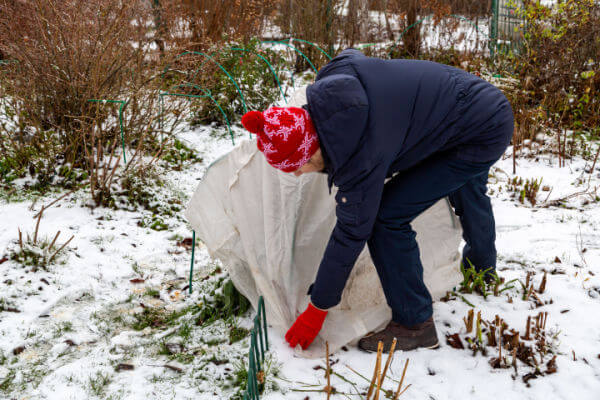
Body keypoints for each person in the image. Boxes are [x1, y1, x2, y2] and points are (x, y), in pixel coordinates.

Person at [240, 48, 513, 353]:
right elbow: (351, 55)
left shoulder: (361, 152)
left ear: (309, 149)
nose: (297, 175)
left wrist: (317, 309)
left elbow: (352, 232)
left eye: (296, 167)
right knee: (467, 186)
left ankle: (415, 323)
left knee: (386, 218)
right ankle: (483, 270)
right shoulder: (332, 84)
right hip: (475, 101)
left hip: (479, 129)